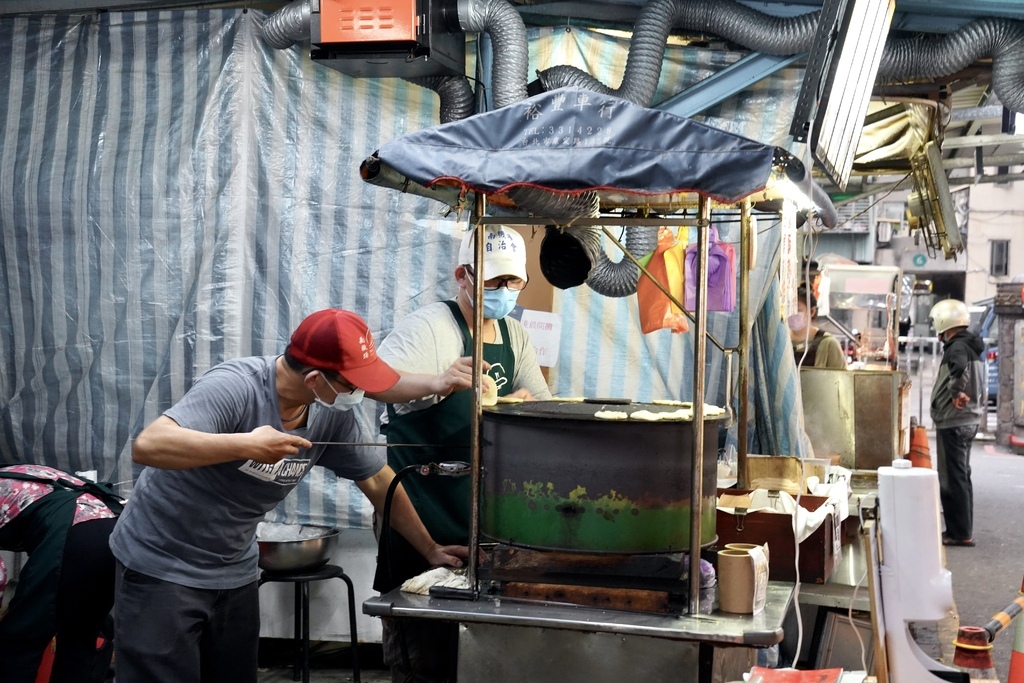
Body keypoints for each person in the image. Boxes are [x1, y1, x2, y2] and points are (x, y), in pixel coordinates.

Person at [108, 308, 474, 683]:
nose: (361, 394)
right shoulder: (236, 386)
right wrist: (244, 444)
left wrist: (430, 549)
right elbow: (149, 445)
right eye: (352, 385)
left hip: (233, 571)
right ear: (315, 378)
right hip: (161, 566)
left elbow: (380, 482)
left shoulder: (331, 414)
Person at [373, 225, 551, 682]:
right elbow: (376, 383)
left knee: (481, 650)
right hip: (422, 508)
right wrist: (438, 382)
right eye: (493, 282)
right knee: (424, 650)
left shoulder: (514, 335)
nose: (505, 292)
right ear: (463, 275)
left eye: (514, 282)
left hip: (482, 515)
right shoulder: (431, 325)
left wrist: (522, 402)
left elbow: (545, 402)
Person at [0, 464, 123, 683]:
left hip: (75, 535)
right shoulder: (21, 472)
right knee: (80, 636)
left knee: (21, 638)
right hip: (117, 533)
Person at [929, 298, 985, 548]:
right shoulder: (971, 345)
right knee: (962, 476)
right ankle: (962, 529)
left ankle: (959, 533)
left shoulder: (957, 347)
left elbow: (959, 369)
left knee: (952, 479)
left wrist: (955, 393)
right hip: (967, 421)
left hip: (954, 420)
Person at [789, 286, 846, 369]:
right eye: (788, 309)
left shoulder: (828, 344)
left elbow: (840, 379)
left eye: (797, 310)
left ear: (812, 311)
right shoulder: (781, 341)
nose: (791, 314)